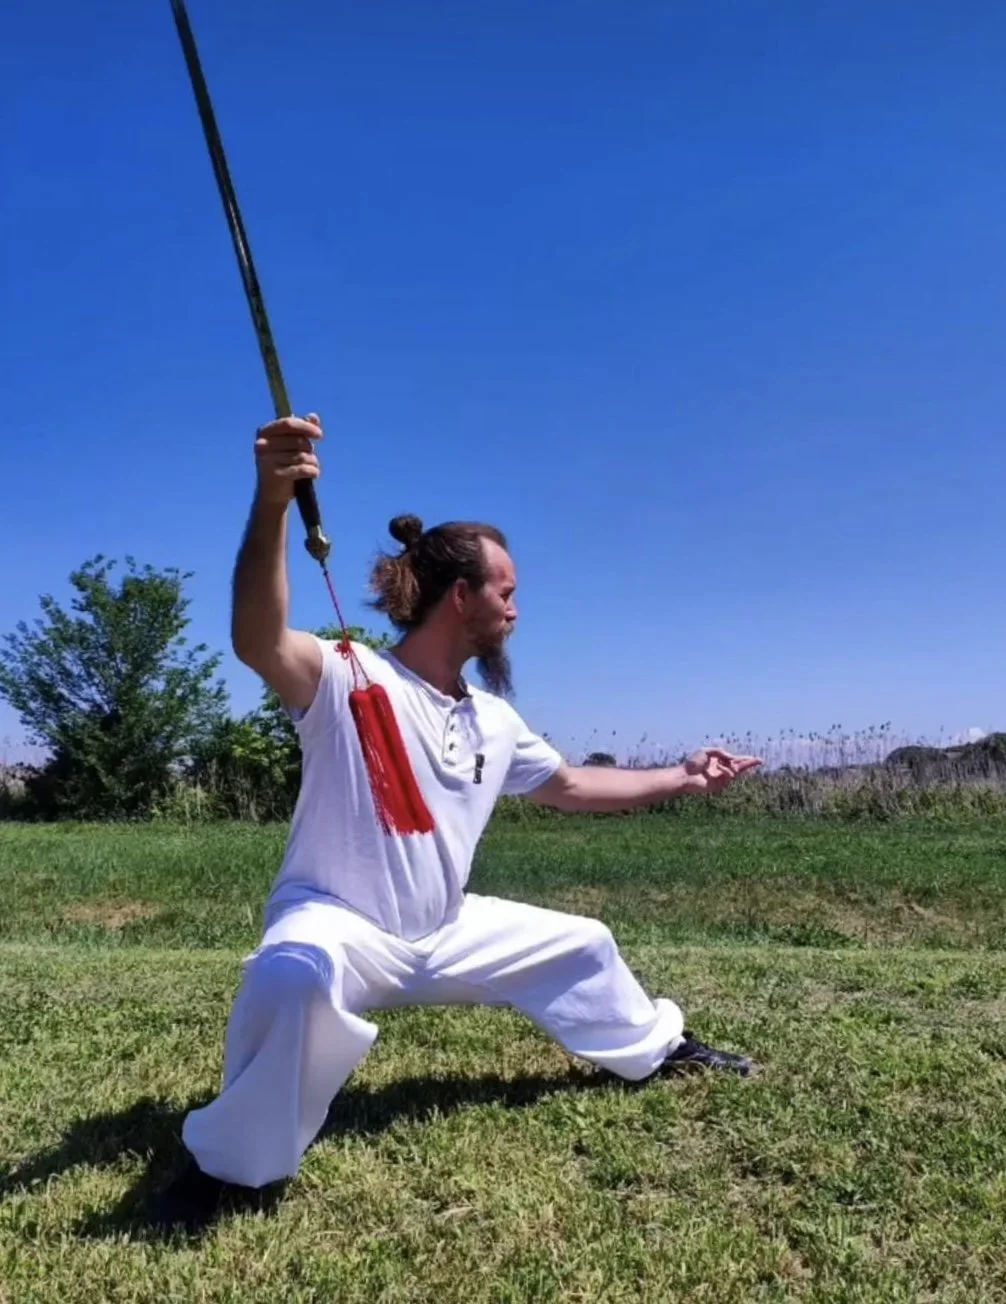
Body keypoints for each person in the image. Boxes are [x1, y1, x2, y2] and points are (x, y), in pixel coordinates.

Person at [163, 412, 762, 1220]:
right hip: (341, 925)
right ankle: (232, 1171)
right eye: (506, 592)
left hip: (443, 929)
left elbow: (573, 787)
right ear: (460, 596)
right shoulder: (347, 678)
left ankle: (658, 1049)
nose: (516, 610)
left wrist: (684, 778)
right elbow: (257, 638)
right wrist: (273, 500)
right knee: (290, 975)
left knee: (583, 942)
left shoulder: (492, 719)